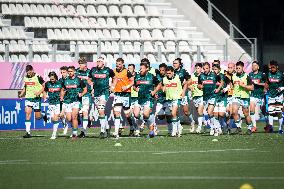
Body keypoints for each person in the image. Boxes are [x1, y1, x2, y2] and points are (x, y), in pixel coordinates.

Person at [88, 57, 116, 139]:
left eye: (100, 61)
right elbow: (89, 79)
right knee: (101, 112)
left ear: (103, 63)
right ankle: (107, 127)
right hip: (96, 92)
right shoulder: (93, 70)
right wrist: (91, 85)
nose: (98, 62)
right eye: (97, 61)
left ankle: (102, 131)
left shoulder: (108, 70)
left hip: (105, 92)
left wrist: (113, 86)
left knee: (100, 109)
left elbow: (115, 78)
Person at [133, 62, 161, 138]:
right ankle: (151, 122)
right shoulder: (137, 76)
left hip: (148, 98)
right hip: (139, 99)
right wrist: (136, 89)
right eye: (140, 68)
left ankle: (152, 130)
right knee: (136, 114)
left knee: (146, 114)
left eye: (142, 68)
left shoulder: (151, 77)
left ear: (147, 69)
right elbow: (134, 86)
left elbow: (159, 84)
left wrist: (154, 92)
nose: (140, 70)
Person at [19, 65, 47, 138]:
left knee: (37, 117)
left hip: (36, 98)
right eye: (27, 72)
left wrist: (39, 92)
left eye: (29, 71)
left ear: (32, 70)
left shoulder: (38, 76)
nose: (28, 73)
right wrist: (21, 94)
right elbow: (25, 87)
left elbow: (44, 86)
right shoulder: (25, 77)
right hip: (28, 98)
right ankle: (28, 132)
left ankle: (43, 114)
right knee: (27, 113)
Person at [61, 66, 87, 139]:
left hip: (76, 101)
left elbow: (85, 89)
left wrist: (81, 94)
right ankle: (76, 122)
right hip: (68, 101)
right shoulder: (65, 80)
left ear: (74, 72)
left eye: (71, 71)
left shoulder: (79, 80)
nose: (70, 73)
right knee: (69, 119)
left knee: (74, 116)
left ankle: (74, 134)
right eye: (68, 71)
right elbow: (62, 89)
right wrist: (62, 97)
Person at [198, 62, 223, 136]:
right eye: (204, 68)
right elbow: (199, 85)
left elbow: (221, 82)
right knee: (210, 114)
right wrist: (200, 87)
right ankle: (215, 127)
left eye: (207, 68)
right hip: (205, 97)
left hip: (213, 96)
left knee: (209, 112)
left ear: (209, 68)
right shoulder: (201, 76)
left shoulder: (214, 75)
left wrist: (218, 89)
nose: (205, 70)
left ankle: (216, 129)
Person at [112, 58, 134, 138]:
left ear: (123, 64)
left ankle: (132, 127)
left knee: (127, 115)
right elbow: (112, 80)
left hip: (126, 95)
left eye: (119, 64)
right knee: (117, 112)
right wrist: (112, 86)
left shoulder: (127, 72)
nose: (117, 66)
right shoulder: (113, 71)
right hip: (117, 94)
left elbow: (133, 81)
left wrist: (127, 86)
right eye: (116, 64)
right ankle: (116, 132)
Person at [231, 61, 254, 135]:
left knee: (246, 114)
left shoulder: (247, 76)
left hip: (244, 97)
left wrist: (244, 86)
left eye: (239, 68)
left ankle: (250, 127)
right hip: (236, 97)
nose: (237, 69)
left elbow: (252, 88)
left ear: (242, 68)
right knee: (234, 112)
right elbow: (232, 84)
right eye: (236, 68)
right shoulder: (233, 76)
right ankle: (238, 128)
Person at [162, 66, 186, 137]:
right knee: (173, 115)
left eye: (169, 73)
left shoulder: (179, 77)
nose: (168, 74)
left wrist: (183, 92)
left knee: (173, 113)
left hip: (177, 98)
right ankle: (179, 127)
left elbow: (186, 83)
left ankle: (174, 131)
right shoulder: (164, 79)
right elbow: (161, 86)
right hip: (169, 99)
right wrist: (163, 88)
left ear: (173, 72)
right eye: (167, 73)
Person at [172, 58, 194, 129]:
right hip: (175, 93)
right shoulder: (171, 72)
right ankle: (178, 126)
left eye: (176, 63)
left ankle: (192, 121)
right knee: (175, 110)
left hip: (183, 93)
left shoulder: (183, 71)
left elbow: (190, 81)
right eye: (173, 63)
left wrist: (186, 83)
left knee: (186, 111)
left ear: (180, 64)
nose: (174, 65)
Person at [264, 60, 284, 134]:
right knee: (271, 112)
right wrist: (265, 89)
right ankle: (271, 128)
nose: (272, 69)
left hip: (279, 95)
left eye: (273, 67)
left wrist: (282, 88)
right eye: (271, 67)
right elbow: (266, 83)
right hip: (271, 95)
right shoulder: (268, 74)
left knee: (279, 112)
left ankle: (280, 128)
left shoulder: (281, 74)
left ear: (277, 67)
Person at [43, 72, 64, 139]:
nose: (52, 79)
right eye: (51, 78)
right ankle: (43, 114)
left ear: (55, 77)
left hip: (58, 103)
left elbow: (63, 90)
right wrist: (45, 96)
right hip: (50, 103)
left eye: (53, 78)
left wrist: (61, 96)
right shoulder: (47, 84)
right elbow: (44, 91)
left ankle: (54, 134)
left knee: (55, 118)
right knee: (53, 119)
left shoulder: (59, 83)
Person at [76, 57, 92, 138]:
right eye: (79, 64)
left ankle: (83, 132)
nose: (80, 65)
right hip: (77, 95)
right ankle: (88, 119)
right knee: (78, 112)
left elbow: (93, 82)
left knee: (85, 112)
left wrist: (93, 89)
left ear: (85, 64)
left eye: (81, 64)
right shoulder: (76, 71)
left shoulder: (89, 72)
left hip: (86, 94)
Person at [248, 61, 266, 132]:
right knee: (252, 109)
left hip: (261, 95)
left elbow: (266, 84)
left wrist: (259, 83)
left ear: (258, 67)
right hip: (253, 95)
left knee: (264, 111)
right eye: (252, 66)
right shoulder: (250, 74)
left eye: (255, 65)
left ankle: (268, 125)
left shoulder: (262, 74)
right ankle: (254, 126)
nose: (253, 67)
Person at [212, 64, 228, 136]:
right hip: (215, 97)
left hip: (222, 97)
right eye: (213, 69)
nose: (214, 71)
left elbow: (230, 84)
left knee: (221, 114)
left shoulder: (223, 76)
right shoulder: (212, 76)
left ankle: (225, 123)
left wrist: (224, 89)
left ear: (219, 69)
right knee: (215, 114)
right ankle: (217, 129)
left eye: (215, 69)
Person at [188, 63, 204, 133]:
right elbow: (188, 84)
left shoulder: (203, 76)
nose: (197, 70)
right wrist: (189, 86)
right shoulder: (192, 76)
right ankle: (206, 123)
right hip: (195, 96)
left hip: (202, 95)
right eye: (196, 68)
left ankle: (199, 127)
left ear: (201, 69)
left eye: (198, 68)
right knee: (199, 112)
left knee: (200, 111)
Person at [155, 63, 167, 133]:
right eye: (160, 70)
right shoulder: (157, 76)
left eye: (163, 70)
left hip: (168, 99)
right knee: (157, 115)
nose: (161, 72)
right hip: (160, 99)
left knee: (170, 115)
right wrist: (155, 93)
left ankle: (172, 130)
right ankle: (155, 129)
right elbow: (155, 85)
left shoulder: (169, 77)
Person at [127, 64, 139, 136]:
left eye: (130, 68)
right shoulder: (126, 76)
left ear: (134, 69)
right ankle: (132, 128)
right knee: (129, 115)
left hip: (137, 97)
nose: (128, 70)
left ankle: (137, 129)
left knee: (136, 115)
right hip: (129, 97)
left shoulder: (138, 76)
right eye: (128, 68)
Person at [224, 63, 235, 131]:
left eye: (231, 67)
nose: (229, 69)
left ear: (234, 68)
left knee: (231, 112)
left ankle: (229, 127)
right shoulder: (225, 75)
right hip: (226, 95)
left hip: (233, 95)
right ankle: (228, 126)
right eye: (229, 67)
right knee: (226, 112)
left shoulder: (236, 75)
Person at [59, 66, 69, 135]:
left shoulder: (70, 79)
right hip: (62, 99)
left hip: (70, 99)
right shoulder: (60, 80)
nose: (62, 74)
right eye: (61, 72)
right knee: (61, 115)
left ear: (67, 72)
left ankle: (73, 130)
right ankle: (65, 126)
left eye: (64, 72)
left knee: (70, 115)